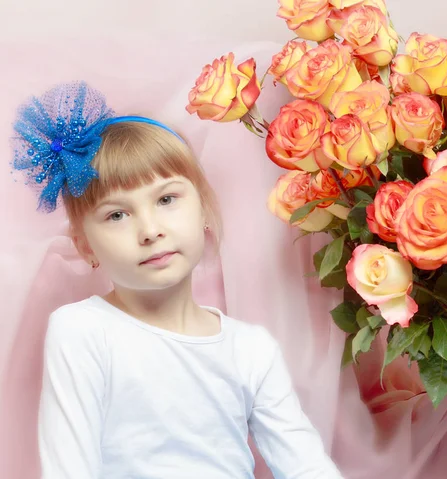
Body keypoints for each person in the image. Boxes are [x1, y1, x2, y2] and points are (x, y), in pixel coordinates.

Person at [11, 81, 343, 479]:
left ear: (203, 208)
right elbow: (69, 468)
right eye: (117, 215)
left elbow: (306, 466)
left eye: (166, 199)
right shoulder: (83, 331)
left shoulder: (250, 349)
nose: (150, 230)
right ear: (85, 247)